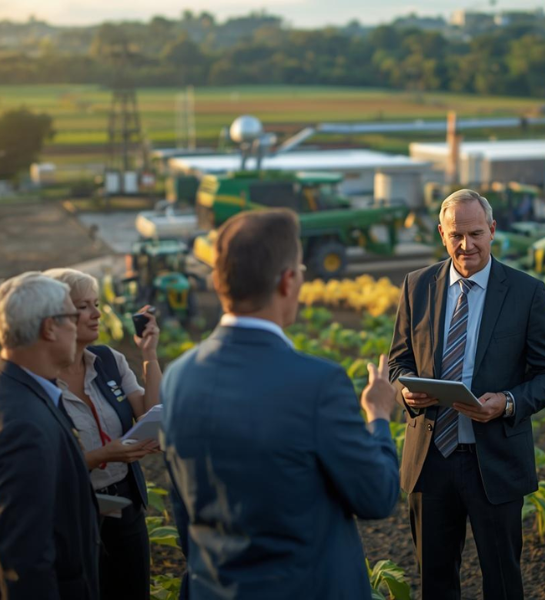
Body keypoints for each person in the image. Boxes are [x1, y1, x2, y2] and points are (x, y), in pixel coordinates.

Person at [161, 208, 400, 600]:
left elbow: (183, 506)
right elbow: (377, 495)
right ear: (288, 281)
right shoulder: (317, 384)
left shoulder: (178, 376)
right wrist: (377, 415)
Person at [389, 189, 545, 600]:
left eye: (475, 234)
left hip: (495, 461)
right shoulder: (417, 286)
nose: (465, 245)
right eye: (455, 235)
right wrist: (406, 392)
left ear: (492, 231)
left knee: (503, 581)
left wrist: (507, 402)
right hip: (431, 460)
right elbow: (398, 362)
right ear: (441, 233)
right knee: (434, 581)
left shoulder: (526, 292)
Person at [43, 268, 162, 600]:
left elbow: (150, 413)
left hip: (125, 507)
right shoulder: (40, 380)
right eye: (83, 306)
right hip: (73, 512)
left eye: (96, 304)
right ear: (53, 316)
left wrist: (149, 353)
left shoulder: (109, 360)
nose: (96, 314)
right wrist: (103, 456)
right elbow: (43, 465)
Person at [0, 273, 100, 599]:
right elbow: (24, 559)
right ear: (49, 327)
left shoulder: (15, 390)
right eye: (73, 315)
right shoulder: (23, 426)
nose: (79, 324)